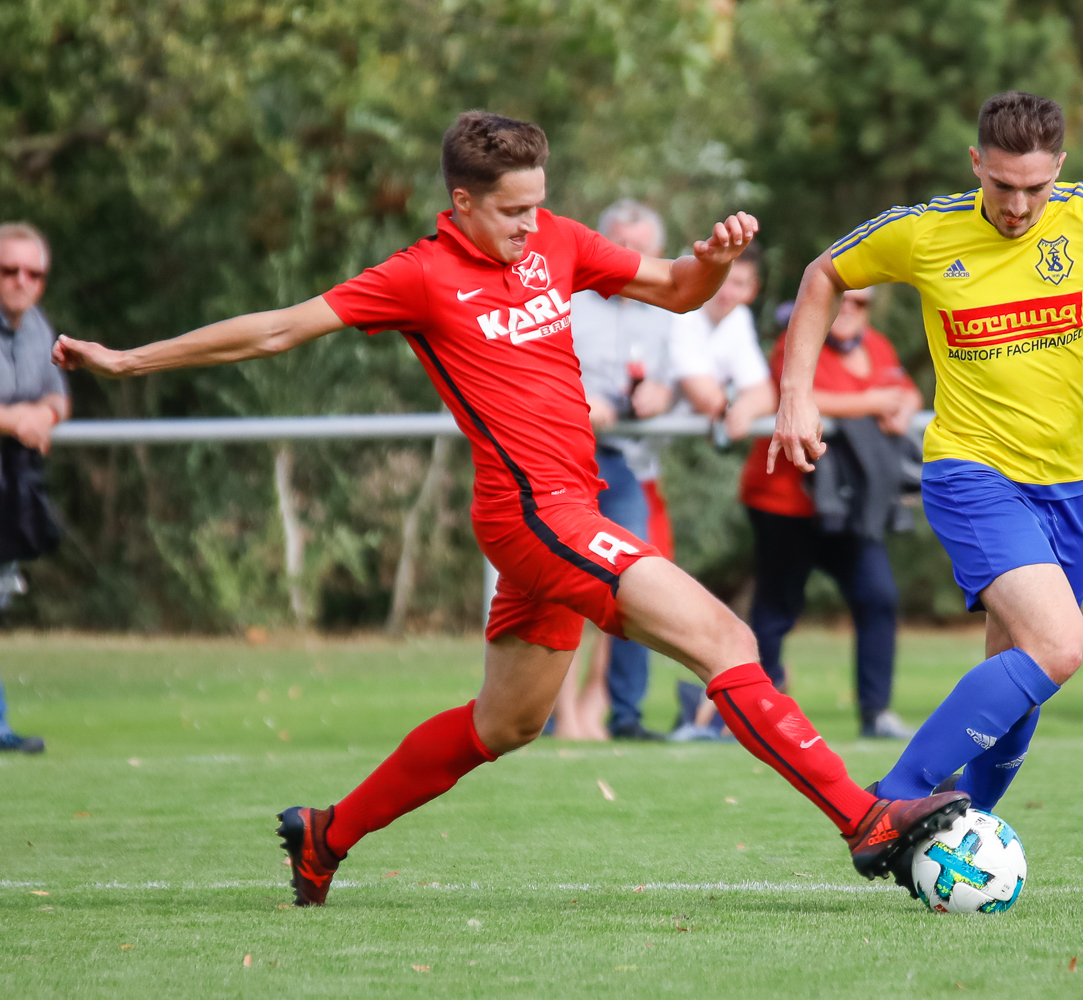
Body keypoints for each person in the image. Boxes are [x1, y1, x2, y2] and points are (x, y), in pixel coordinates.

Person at [54, 111, 967, 906]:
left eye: (538, 205)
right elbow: (279, 328)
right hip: (533, 518)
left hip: (570, 508)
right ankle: (863, 819)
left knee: (508, 723)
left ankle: (326, 835)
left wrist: (711, 262)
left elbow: (677, 292)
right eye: (512, 211)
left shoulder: (556, 241)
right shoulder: (418, 276)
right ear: (461, 202)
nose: (532, 226)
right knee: (726, 638)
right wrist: (131, 361)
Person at [771, 91, 1083, 897]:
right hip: (972, 472)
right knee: (1060, 646)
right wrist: (796, 394)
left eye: (1035, 188)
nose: (1017, 205)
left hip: (1072, 484)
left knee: (1021, 677)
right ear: (977, 164)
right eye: (1002, 185)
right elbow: (823, 273)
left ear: (1060, 170)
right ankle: (889, 803)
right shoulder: (927, 231)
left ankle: (951, 841)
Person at [740, 287, 923, 739]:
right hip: (787, 501)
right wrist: (875, 402)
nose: (850, 309)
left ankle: (876, 713)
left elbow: (906, 392)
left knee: (878, 596)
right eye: (843, 297)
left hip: (851, 505)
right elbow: (799, 397)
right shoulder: (798, 341)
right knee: (776, 609)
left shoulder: (877, 345)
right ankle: (758, 711)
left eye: (861, 302)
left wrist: (904, 407)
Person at [566, 198, 678, 741]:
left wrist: (666, 393)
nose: (629, 256)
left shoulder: (671, 308)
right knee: (558, 585)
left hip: (629, 464)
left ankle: (626, 714)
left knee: (636, 581)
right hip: (567, 455)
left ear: (658, 252)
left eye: (640, 247)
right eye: (620, 245)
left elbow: (689, 376)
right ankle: (543, 716)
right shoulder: (567, 302)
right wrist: (579, 401)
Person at [0, 222, 70, 755]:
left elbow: (57, 397)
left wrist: (41, 415)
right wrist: (15, 419)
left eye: (33, 273)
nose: (21, 281)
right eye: (8, 270)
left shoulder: (37, 326)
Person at [670, 244, 776, 440]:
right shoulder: (680, 312)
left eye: (738, 284)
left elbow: (765, 395)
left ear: (752, 290)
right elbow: (704, 396)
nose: (726, 292)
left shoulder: (739, 318)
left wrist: (744, 410)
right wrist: (737, 412)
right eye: (721, 279)